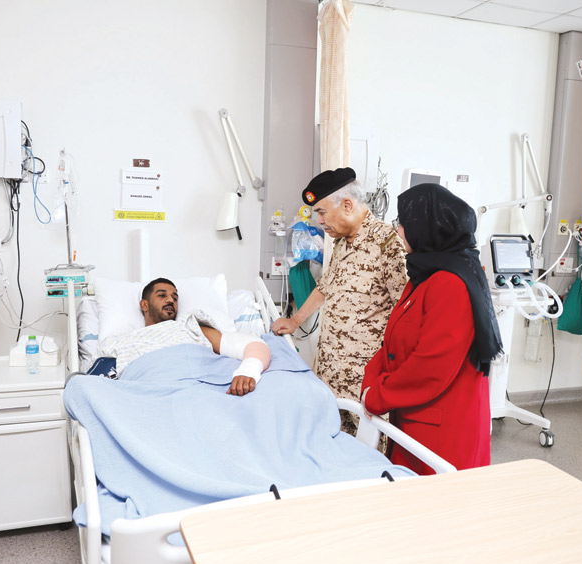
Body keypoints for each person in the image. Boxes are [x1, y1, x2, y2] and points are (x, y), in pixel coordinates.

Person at [360, 184, 502, 474]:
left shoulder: (451, 284)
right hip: (415, 417)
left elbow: (431, 366)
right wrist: (371, 380)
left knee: (434, 500)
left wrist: (377, 395)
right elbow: (393, 343)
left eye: (403, 223)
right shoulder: (424, 275)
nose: (399, 231)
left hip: (443, 431)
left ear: (426, 228)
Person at [271, 167, 407, 432]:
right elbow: (325, 287)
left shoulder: (388, 243)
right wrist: (294, 321)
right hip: (330, 371)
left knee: (368, 447)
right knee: (331, 439)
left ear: (347, 205)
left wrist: (393, 373)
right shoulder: (341, 243)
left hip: (364, 380)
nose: (320, 220)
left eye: (322, 212)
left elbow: (404, 310)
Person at [100, 278, 271, 396]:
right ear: (144, 305)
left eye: (175, 298)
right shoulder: (120, 341)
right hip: (147, 394)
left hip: (199, 392)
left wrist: (248, 371)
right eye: (162, 295)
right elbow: (99, 381)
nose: (170, 300)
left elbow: (253, 345)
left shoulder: (190, 327)